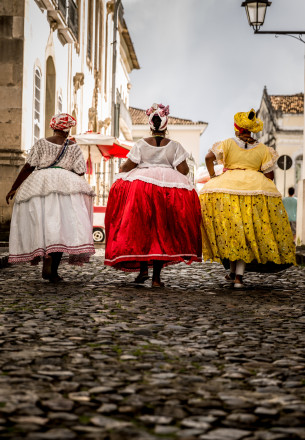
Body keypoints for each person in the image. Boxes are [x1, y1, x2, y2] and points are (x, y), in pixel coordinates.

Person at [104, 103, 202, 287]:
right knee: (161, 231)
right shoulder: (175, 146)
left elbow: (127, 166)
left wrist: (124, 170)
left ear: (151, 125)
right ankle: (156, 279)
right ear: (166, 125)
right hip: (166, 191)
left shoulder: (141, 144)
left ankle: (143, 271)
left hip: (141, 188)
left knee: (143, 229)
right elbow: (183, 169)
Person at [199, 108, 296, 289]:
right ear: (251, 130)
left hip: (227, 190)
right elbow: (270, 175)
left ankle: (236, 275)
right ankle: (237, 276)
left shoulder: (227, 143)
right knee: (244, 233)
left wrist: (213, 176)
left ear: (237, 128)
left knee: (235, 232)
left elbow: (208, 157)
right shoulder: (262, 149)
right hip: (254, 192)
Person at [6, 113, 95, 283]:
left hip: (40, 185)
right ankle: (53, 269)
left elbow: (29, 166)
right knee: (60, 227)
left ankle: (44, 253)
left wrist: (14, 188)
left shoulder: (41, 143)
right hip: (64, 187)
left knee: (43, 224)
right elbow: (80, 171)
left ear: (53, 126)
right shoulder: (73, 146)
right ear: (68, 129)